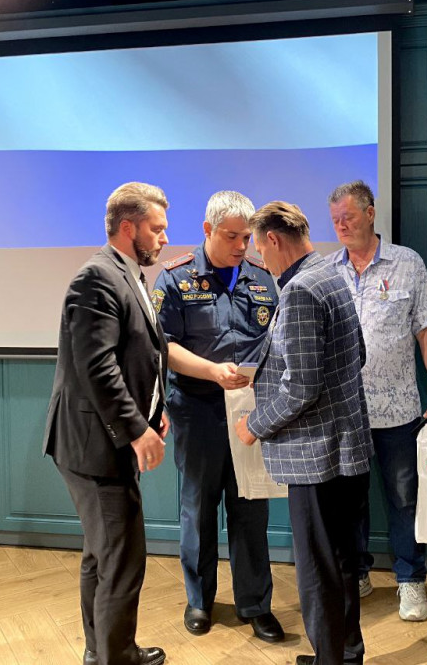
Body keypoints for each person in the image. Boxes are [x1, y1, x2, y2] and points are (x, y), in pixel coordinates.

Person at [235, 201, 373, 665]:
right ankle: (344, 655)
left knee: (318, 571)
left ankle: (331, 659)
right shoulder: (332, 274)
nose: (261, 259)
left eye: (259, 248)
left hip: (316, 459)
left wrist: (254, 425)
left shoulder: (299, 290)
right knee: (342, 562)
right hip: (346, 448)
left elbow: (301, 387)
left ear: (274, 239)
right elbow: (357, 354)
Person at [42, 182, 171, 665]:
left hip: (101, 441)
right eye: (156, 229)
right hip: (94, 447)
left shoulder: (127, 274)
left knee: (103, 554)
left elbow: (141, 354)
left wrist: (154, 411)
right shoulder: (96, 278)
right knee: (120, 558)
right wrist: (137, 430)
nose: (164, 238)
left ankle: (104, 651)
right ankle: (115, 657)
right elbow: (96, 366)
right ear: (128, 227)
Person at [152, 190, 284, 643]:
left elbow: (275, 341)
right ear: (207, 230)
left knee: (251, 508)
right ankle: (199, 601)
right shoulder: (175, 278)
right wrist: (211, 371)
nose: (241, 246)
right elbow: (163, 347)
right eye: (231, 236)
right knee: (198, 508)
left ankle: (255, 605)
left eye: (247, 237)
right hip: (198, 409)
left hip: (250, 411)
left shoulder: (263, 278)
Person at [327, 180, 427, 622]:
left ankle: (411, 580)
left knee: (404, 499)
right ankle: (358, 573)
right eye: (335, 220)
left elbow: (426, 329)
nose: (342, 226)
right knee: (349, 501)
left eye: (348, 216)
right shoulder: (328, 271)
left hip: (399, 410)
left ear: (370, 213)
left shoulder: (407, 263)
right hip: (345, 412)